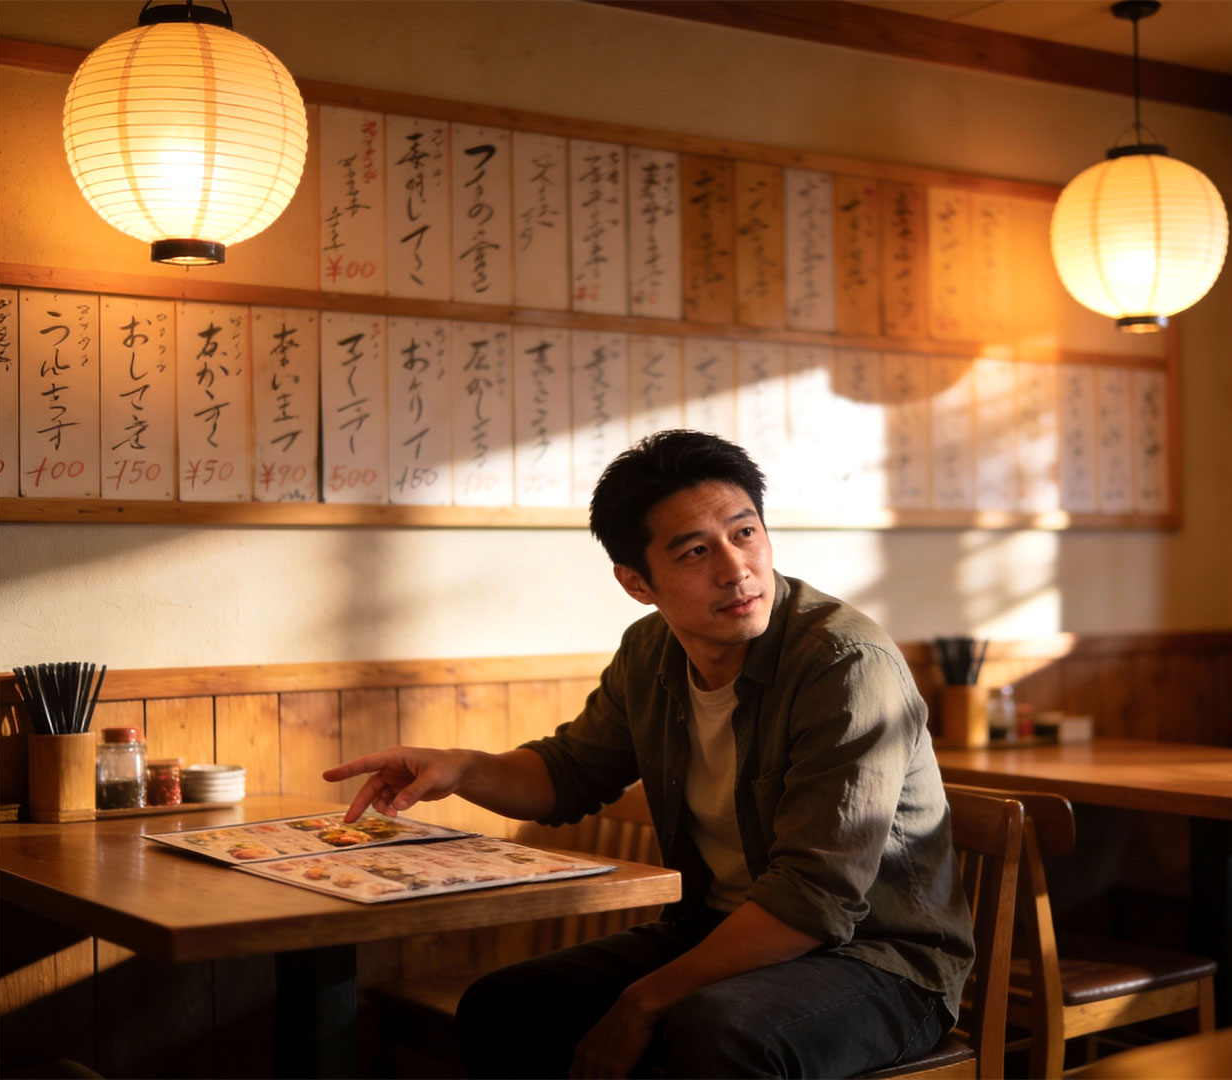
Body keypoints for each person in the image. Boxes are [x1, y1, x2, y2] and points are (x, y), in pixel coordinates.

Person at [324, 430, 974, 1079]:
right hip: (717, 932)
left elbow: (814, 901)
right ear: (637, 581)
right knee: (507, 1005)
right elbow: (570, 774)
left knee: (717, 1032)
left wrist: (642, 1002)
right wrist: (461, 767)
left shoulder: (843, 663)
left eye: (744, 533)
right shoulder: (650, 650)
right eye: (695, 551)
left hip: (880, 960)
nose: (735, 569)